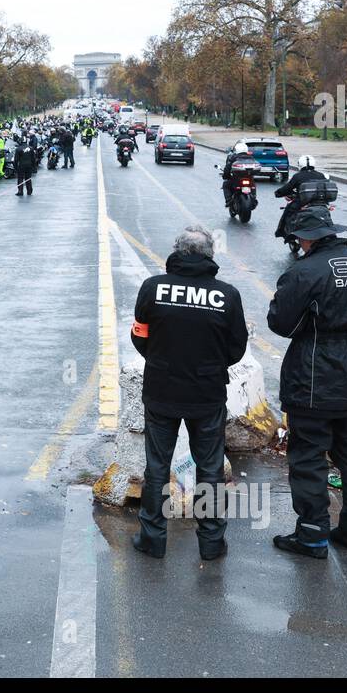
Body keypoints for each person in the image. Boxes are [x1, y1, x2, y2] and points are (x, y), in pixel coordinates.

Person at [267, 205, 347, 559]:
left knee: (308, 456)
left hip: (315, 379)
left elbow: (281, 323)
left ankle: (312, 535)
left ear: (305, 238)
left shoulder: (304, 272)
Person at [130, 225, 248, 560]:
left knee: (157, 467)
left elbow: (140, 335)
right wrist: (207, 365)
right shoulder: (226, 295)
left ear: (177, 252)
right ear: (211, 255)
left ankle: (152, 540)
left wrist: (161, 360)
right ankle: (211, 543)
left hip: (161, 390)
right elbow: (236, 347)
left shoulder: (153, 288)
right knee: (209, 469)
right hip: (207, 394)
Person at [274, 155, 326, 238]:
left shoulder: (298, 176)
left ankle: (284, 233)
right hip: (320, 202)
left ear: (300, 164)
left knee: (288, 212)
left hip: (302, 203)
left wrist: (278, 193)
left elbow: (288, 187)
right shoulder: (321, 175)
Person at [221, 142, 256, 206]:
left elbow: (227, 168)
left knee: (225, 184)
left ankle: (228, 200)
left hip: (236, 180)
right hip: (249, 179)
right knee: (253, 185)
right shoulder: (251, 157)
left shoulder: (233, 157)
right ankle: (254, 198)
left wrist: (225, 176)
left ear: (236, 150)